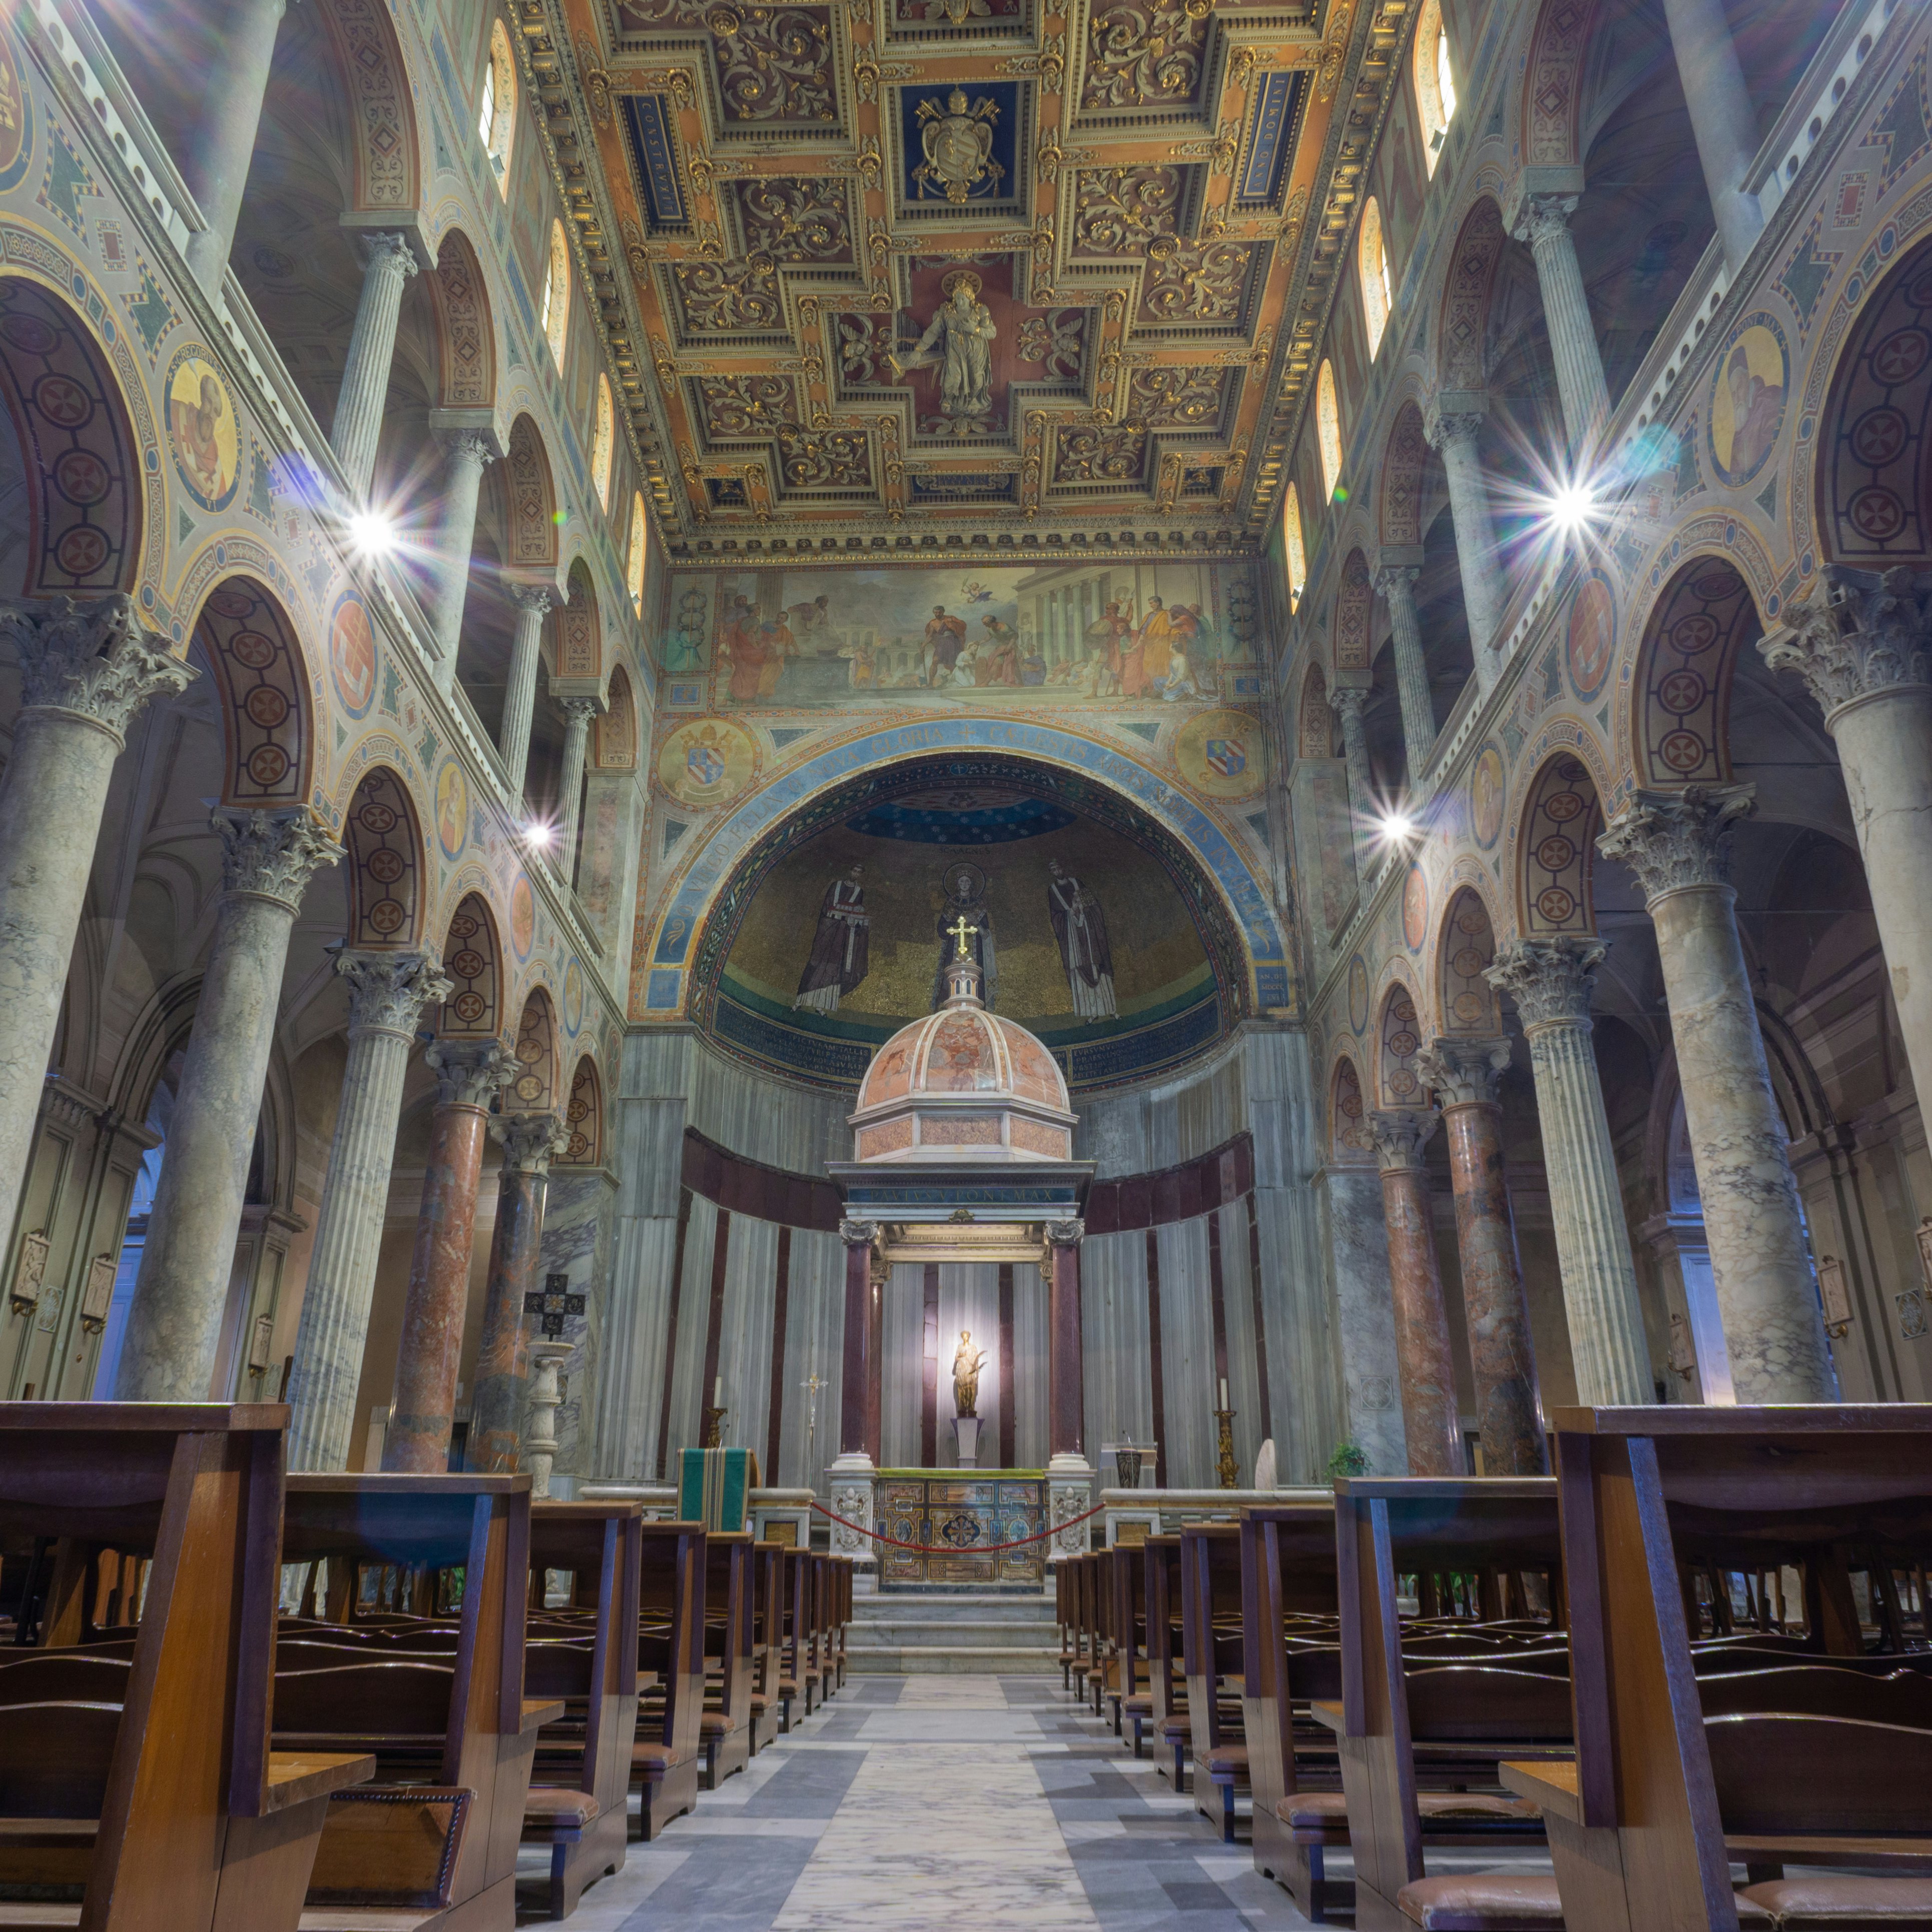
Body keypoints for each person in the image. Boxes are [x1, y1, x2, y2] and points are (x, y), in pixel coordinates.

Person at [1047, 858, 1117, 1020]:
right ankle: (1091, 1012)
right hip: (1072, 939)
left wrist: (1084, 911)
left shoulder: (1076, 883)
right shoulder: (1052, 891)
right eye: (1054, 870)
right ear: (1051, 873)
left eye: (1059, 868)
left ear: (1063, 868)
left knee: (1097, 967)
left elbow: (1093, 905)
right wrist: (1071, 912)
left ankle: (1110, 1008)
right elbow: (1055, 916)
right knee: (1079, 970)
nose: (1057, 872)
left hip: (1090, 934)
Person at [794, 865, 869, 1012]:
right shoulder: (836, 886)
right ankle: (799, 1002)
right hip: (827, 932)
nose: (855, 874)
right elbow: (826, 907)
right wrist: (834, 920)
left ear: (861, 875)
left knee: (835, 967)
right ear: (849, 871)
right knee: (817, 963)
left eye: (859, 873)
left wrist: (853, 921)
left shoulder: (859, 891)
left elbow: (856, 913)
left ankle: (822, 1006)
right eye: (854, 870)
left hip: (842, 937)